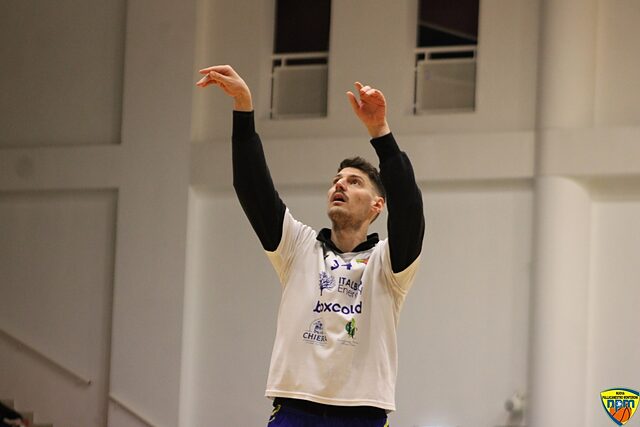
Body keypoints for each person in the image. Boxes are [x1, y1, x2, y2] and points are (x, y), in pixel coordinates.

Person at [196, 65, 425, 427]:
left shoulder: (389, 263)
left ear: (378, 205)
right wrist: (243, 108)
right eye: (336, 180)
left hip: (361, 413)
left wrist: (380, 131)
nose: (340, 185)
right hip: (295, 408)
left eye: (354, 182)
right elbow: (253, 188)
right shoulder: (298, 246)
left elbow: (410, 208)